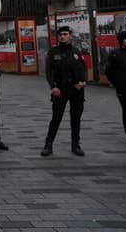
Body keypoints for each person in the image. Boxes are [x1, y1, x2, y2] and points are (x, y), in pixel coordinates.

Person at [41, 26, 87, 157]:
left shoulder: (76, 52)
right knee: (56, 118)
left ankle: (75, 145)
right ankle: (48, 145)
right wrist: (53, 87)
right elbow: (49, 72)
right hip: (60, 90)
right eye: (60, 34)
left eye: (65, 34)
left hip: (76, 90)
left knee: (76, 118)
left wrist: (83, 82)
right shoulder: (53, 52)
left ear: (70, 35)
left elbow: (83, 69)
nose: (62, 36)